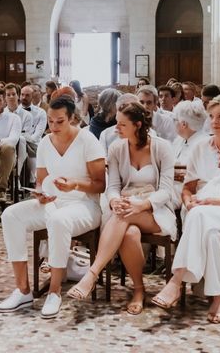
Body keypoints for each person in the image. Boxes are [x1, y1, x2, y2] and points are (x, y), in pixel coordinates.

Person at [152, 96, 220, 324]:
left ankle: (176, 280)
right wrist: (189, 202)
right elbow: (188, 189)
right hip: (203, 212)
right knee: (208, 232)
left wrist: (214, 203)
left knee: (199, 216)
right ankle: (218, 296)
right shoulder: (200, 147)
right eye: (211, 117)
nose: (214, 122)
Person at [0, 96, 106, 319]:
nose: (54, 127)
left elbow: (100, 184)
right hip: (54, 202)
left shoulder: (88, 140)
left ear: (73, 119)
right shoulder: (46, 142)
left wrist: (75, 184)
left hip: (85, 205)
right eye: (50, 121)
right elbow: (41, 179)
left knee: (59, 221)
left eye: (60, 121)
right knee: (11, 215)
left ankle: (54, 292)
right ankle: (23, 290)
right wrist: (40, 193)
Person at [68, 102, 176, 315]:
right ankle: (138, 290)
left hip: (155, 209)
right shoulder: (117, 148)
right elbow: (113, 187)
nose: (116, 128)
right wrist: (114, 200)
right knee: (129, 233)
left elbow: (166, 191)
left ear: (137, 125)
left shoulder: (162, 147)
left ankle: (92, 274)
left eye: (121, 124)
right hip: (125, 207)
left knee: (123, 216)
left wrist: (142, 205)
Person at [170, 100, 208, 210]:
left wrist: (179, 174)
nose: (173, 123)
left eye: (174, 120)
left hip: (186, 190)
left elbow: (203, 176)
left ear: (184, 124)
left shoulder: (204, 144)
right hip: (172, 184)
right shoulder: (179, 139)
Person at [19, 85, 47, 185]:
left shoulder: (41, 112)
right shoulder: (16, 111)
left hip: (34, 142)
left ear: (32, 96)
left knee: (28, 147)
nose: (24, 97)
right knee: (21, 144)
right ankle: (27, 179)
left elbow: (39, 132)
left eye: (27, 95)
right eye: (22, 95)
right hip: (19, 141)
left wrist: (28, 140)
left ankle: (31, 180)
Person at [5, 83, 33, 177]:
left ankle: (16, 175)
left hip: (21, 145)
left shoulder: (27, 115)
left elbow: (27, 134)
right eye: (8, 95)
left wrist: (14, 136)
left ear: (18, 96)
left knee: (21, 139)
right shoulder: (2, 114)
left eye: (13, 94)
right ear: (5, 97)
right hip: (5, 143)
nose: (11, 97)